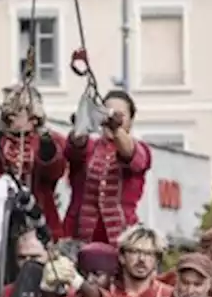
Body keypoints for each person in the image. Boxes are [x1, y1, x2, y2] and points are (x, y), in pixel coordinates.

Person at [0, 84, 67, 238]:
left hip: (39, 221)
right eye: (7, 108)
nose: (11, 115)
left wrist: (41, 128)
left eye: (19, 109)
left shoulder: (52, 141)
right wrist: (1, 125)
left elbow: (54, 170)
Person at [63, 90, 151, 245]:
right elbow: (74, 150)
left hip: (122, 238)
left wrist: (115, 128)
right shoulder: (89, 147)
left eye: (120, 115)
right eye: (107, 113)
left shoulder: (140, 149)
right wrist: (82, 124)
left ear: (130, 121)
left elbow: (133, 157)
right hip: (79, 236)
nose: (112, 118)